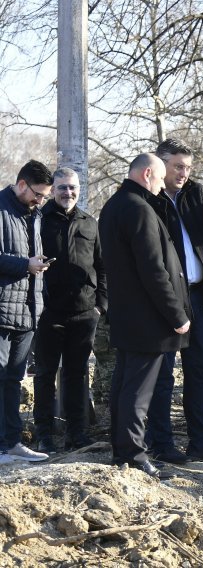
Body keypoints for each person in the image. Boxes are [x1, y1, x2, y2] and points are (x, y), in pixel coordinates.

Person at [145, 138, 203, 470]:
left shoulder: (193, 193)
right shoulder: (149, 199)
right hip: (166, 299)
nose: (183, 173)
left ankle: (201, 444)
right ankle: (162, 444)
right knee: (164, 374)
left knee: (200, 370)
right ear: (160, 164)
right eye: (177, 166)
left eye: (187, 167)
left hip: (199, 296)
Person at [98, 153, 191, 480]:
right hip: (147, 319)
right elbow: (153, 271)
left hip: (126, 315)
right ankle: (135, 455)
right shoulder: (138, 209)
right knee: (138, 391)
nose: (163, 184)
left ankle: (122, 451)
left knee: (125, 384)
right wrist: (176, 314)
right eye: (161, 177)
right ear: (148, 173)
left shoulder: (114, 205)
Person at [33, 167, 107, 453]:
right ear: (53, 189)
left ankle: (78, 433)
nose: (68, 193)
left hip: (84, 312)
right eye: (62, 187)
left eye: (73, 187)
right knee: (44, 374)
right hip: (48, 312)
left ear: (80, 188)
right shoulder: (39, 221)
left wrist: (101, 305)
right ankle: (44, 434)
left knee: (76, 375)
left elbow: (102, 266)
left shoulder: (90, 223)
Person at [0, 160, 53, 464]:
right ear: (21, 184)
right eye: (38, 194)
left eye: (44, 197)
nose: (41, 200)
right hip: (3, 310)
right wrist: (25, 265)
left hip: (29, 310)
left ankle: (11, 443)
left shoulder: (34, 214)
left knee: (13, 380)